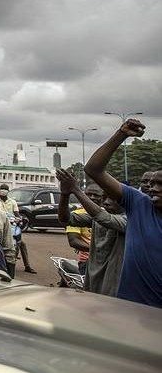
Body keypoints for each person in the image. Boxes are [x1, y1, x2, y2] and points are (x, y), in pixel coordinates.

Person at [84, 118, 162, 308]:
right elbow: (93, 169)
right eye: (151, 184)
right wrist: (121, 134)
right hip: (128, 307)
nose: (153, 188)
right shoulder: (139, 204)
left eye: (161, 184)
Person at [55, 169, 127, 297]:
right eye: (104, 197)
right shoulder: (96, 217)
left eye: (112, 198)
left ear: (124, 200)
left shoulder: (127, 219)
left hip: (114, 280)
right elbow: (64, 219)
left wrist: (76, 190)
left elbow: (104, 218)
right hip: (92, 275)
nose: (106, 202)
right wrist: (65, 194)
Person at [0, 184, 36, 273]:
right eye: (2, 189)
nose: (3, 191)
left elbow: (17, 214)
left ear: (8, 191)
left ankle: (27, 266)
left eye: (5, 189)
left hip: (12, 226)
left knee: (21, 243)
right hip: (0, 225)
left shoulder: (12, 202)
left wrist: (20, 220)